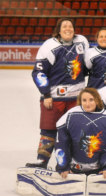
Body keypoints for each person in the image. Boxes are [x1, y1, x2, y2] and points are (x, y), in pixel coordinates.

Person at [26, 18, 89, 169]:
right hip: (54, 99)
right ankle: (42, 161)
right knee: (49, 131)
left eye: (70, 26)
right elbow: (39, 72)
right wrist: (46, 94)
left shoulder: (82, 42)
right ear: (59, 30)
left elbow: (92, 59)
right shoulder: (49, 46)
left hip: (77, 99)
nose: (68, 28)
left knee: (77, 132)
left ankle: (76, 163)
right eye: (64, 26)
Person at [55, 88, 106, 179]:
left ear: (97, 100)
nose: (87, 104)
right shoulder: (70, 115)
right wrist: (63, 167)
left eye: (91, 100)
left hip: (98, 171)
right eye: (84, 100)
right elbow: (62, 143)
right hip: (72, 169)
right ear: (80, 101)